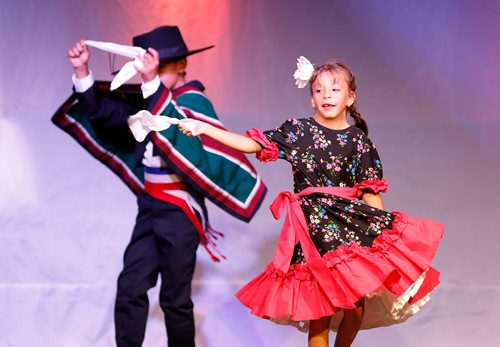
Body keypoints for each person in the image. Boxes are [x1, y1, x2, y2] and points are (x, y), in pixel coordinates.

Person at [178, 57, 444, 347]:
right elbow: (253, 144)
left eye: (334, 89)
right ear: (311, 99)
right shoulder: (299, 132)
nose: (327, 95)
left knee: (354, 309)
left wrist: (381, 242)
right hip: (312, 231)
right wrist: (205, 129)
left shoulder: (359, 141)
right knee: (320, 312)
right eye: (319, 90)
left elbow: (370, 192)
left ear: (350, 97)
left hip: (349, 226)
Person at [60, 26, 267, 347]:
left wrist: (151, 83)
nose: (144, 72)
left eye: (154, 66)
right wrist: (82, 70)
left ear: (179, 66)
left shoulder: (193, 101)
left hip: (180, 211)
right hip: (151, 206)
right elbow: (103, 114)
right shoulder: (149, 97)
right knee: (130, 287)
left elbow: (192, 147)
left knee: (174, 298)